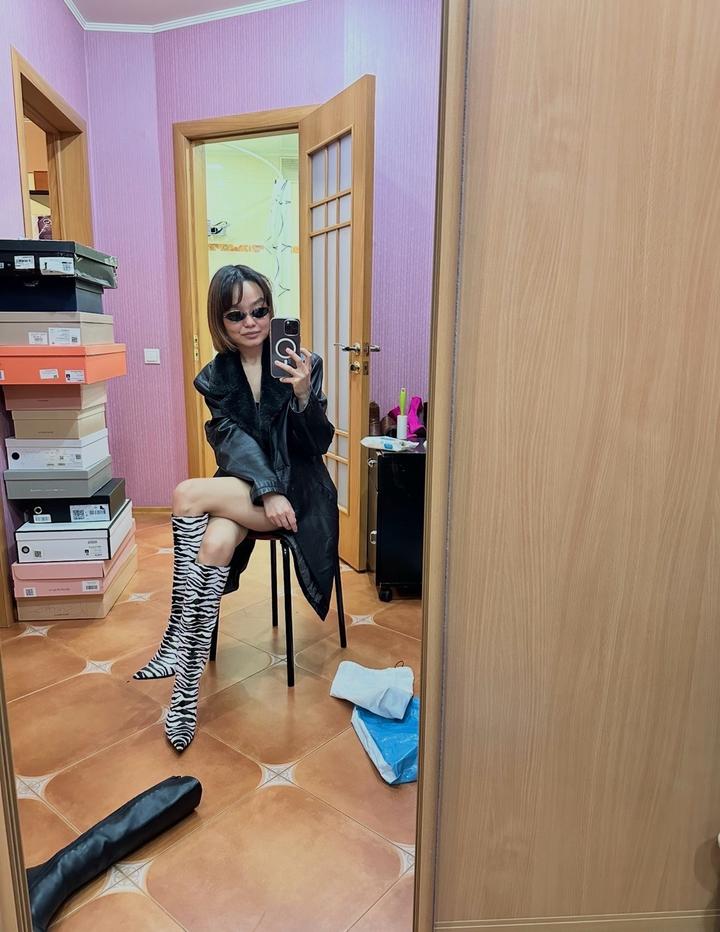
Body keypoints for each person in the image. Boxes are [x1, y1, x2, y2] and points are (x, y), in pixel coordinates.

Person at [133, 264, 338, 752]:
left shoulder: (302, 362)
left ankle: (175, 643)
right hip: (250, 488)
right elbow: (230, 442)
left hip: (301, 493)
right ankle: (185, 692)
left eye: (260, 311)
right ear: (220, 321)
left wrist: (304, 394)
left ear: (271, 310)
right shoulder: (216, 377)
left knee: (187, 494)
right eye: (236, 315)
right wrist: (266, 489)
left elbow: (316, 445)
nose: (251, 322)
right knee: (215, 541)